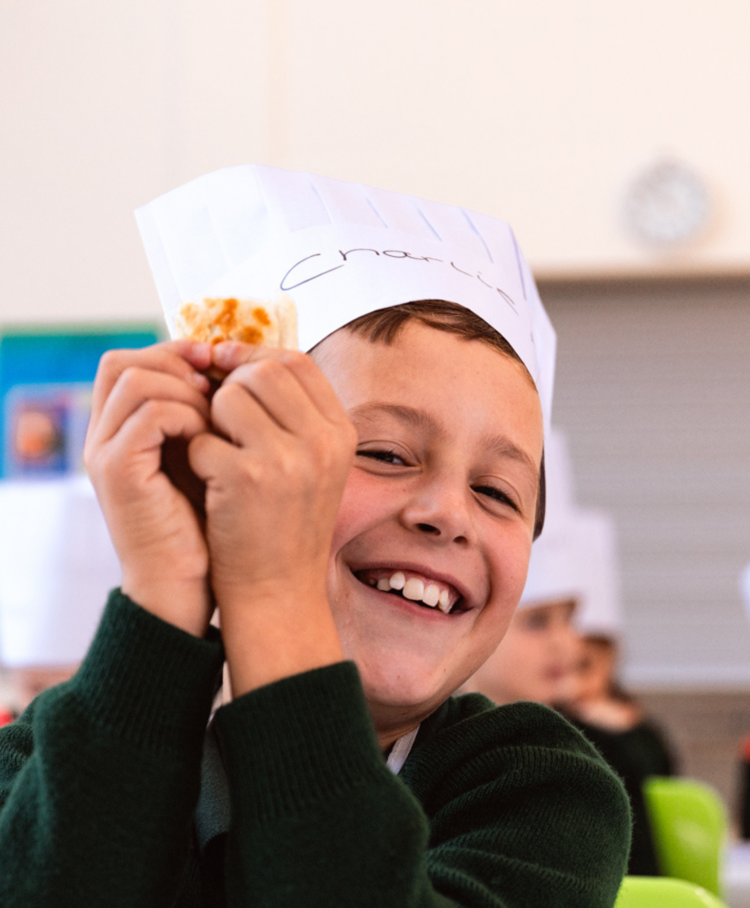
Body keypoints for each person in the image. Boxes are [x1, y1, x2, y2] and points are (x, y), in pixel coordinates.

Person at [0, 166, 630, 907]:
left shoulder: (540, 790)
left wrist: (273, 595)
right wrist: (167, 585)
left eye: (496, 493)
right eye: (385, 453)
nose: (448, 514)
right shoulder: (50, 757)